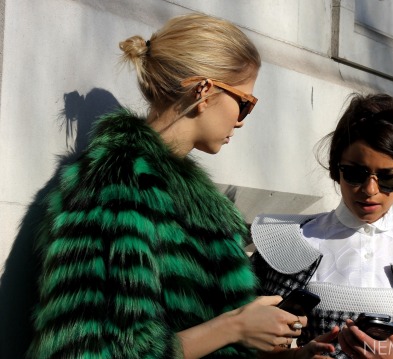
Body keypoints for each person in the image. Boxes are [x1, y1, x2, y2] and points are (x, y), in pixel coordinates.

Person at [26, 13, 306, 359]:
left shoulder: (190, 198)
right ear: (204, 91)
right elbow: (114, 349)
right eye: (245, 102)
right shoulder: (120, 184)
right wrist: (236, 325)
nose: (241, 119)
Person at [250, 93, 393, 359]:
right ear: (335, 168)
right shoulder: (282, 246)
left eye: (387, 178)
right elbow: (238, 347)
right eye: (355, 173)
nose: (370, 190)